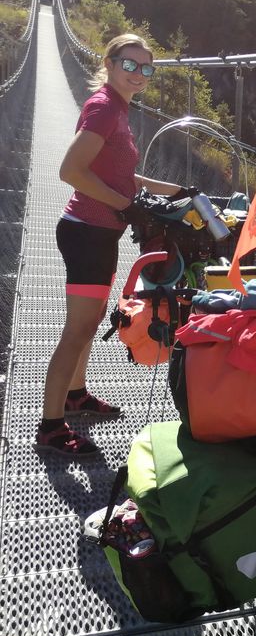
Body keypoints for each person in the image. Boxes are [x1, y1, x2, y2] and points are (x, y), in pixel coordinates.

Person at [37, 33, 188, 457]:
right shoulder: (104, 108)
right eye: (130, 64)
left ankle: (76, 396)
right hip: (86, 232)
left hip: (99, 233)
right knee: (78, 330)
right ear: (109, 62)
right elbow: (71, 170)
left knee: (92, 318)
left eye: (146, 68)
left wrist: (177, 191)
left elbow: (122, 174)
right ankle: (50, 427)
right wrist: (127, 207)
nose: (138, 74)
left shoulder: (118, 108)